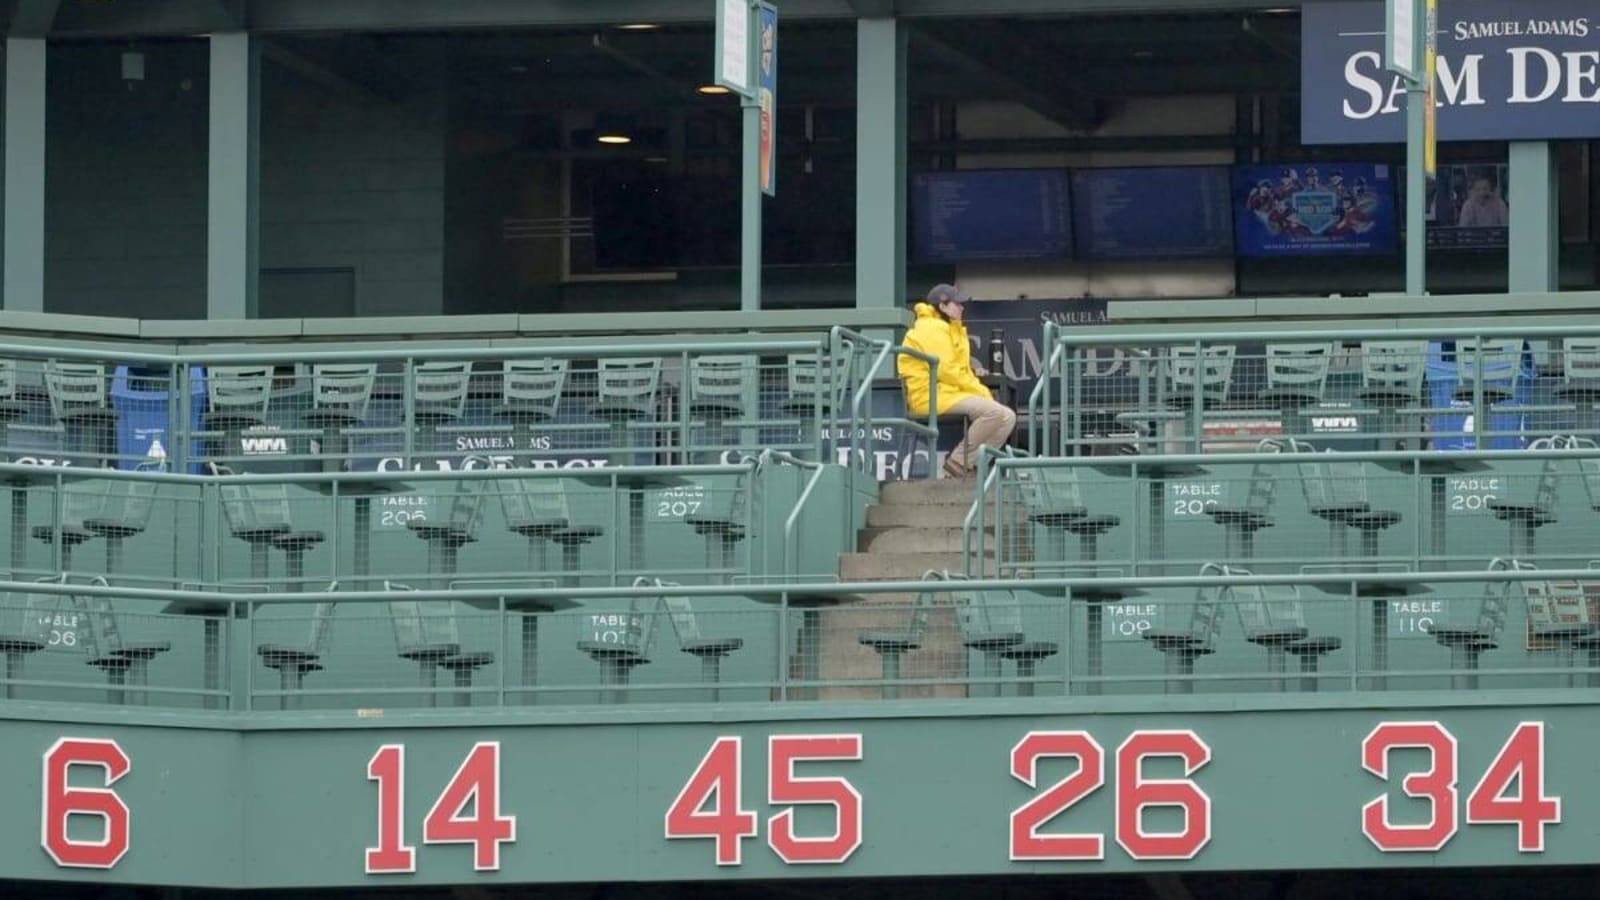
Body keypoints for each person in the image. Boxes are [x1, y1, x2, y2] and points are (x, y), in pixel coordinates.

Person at [897, 284, 1016, 478]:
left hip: (947, 392)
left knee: (1008, 417)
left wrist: (976, 381)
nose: (962, 307)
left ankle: (972, 469)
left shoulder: (950, 328)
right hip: (930, 395)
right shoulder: (931, 328)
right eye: (957, 303)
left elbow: (958, 369)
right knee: (993, 411)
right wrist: (981, 391)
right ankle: (958, 462)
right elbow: (948, 371)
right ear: (942, 306)